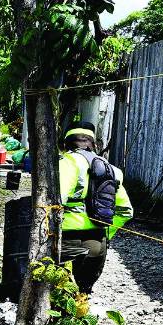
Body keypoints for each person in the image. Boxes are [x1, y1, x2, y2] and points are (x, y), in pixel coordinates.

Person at [58, 122, 133, 294]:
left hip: (68, 241)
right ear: (94, 144)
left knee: (60, 293)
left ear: (66, 144)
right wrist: (106, 234)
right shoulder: (112, 169)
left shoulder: (66, 163)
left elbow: (56, 201)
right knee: (83, 293)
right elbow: (126, 211)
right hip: (98, 243)